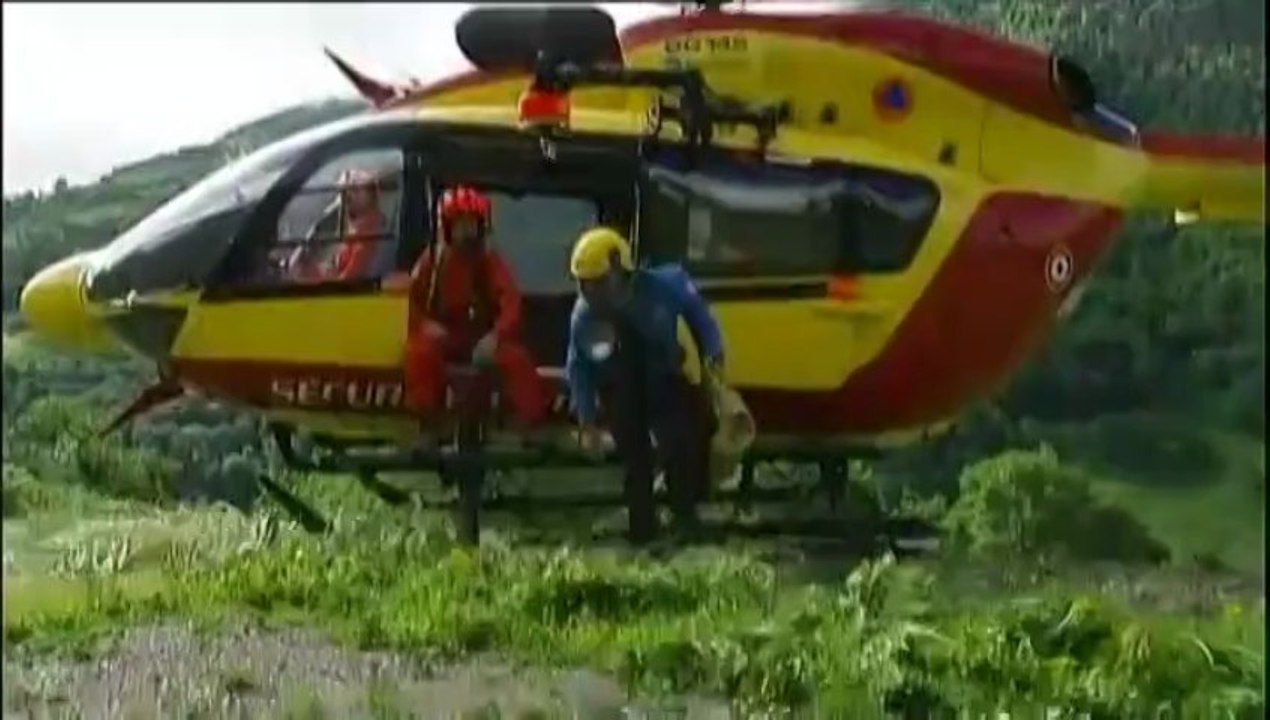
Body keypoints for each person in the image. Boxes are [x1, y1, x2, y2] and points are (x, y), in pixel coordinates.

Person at [565, 226, 726, 540]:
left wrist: (713, 357)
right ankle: (642, 531)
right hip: (619, 391)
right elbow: (579, 367)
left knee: (685, 437)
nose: (592, 292)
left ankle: (685, 517)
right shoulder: (584, 316)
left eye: (599, 282)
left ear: (620, 269)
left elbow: (703, 319)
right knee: (634, 455)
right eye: (584, 285)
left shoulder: (666, 285)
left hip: (663, 379)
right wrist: (586, 421)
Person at [402, 185, 550, 443]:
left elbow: (510, 303)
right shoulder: (431, 260)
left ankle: (531, 426)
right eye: (460, 224)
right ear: (446, 226)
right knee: (419, 351)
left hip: (481, 335)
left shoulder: (489, 259)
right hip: (445, 334)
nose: (467, 231)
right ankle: (428, 422)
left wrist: (495, 336)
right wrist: (425, 324)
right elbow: (409, 302)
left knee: (516, 359)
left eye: (472, 224)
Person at [288, 168, 383, 282]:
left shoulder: (367, 234)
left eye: (355, 190)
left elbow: (347, 281)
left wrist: (313, 274)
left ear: (370, 196)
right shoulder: (355, 226)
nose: (348, 195)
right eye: (344, 191)